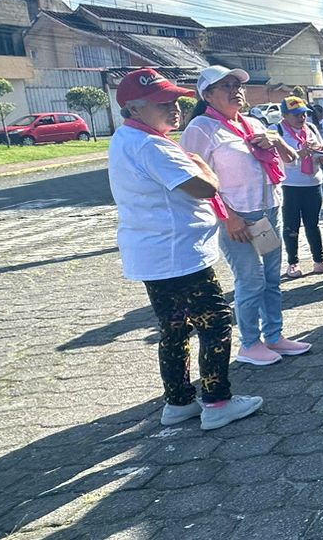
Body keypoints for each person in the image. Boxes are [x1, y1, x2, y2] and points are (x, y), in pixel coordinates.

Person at [108, 68, 262, 432]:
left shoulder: (129, 137)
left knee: (174, 327)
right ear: (134, 108)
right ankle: (217, 402)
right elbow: (204, 188)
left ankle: (178, 401)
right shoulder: (151, 146)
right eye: (162, 103)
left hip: (157, 251)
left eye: (175, 100)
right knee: (216, 322)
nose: (173, 108)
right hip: (179, 253)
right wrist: (207, 168)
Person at [183, 66, 312, 368]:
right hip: (237, 217)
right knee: (251, 280)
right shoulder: (201, 128)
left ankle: (274, 336)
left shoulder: (252, 122)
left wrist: (276, 141)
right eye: (226, 86)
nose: (235, 91)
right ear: (207, 95)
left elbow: (291, 160)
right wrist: (228, 217)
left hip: (268, 212)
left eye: (237, 85)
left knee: (271, 279)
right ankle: (250, 344)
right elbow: (195, 180)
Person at [275, 96, 323, 279]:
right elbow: (275, 159)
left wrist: (322, 153)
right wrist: (299, 154)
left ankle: (319, 261)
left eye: (303, 114)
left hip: (313, 183)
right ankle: (292, 263)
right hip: (290, 185)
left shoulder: (310, 128)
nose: (301, 118)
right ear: (284, 115)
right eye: (296, 115)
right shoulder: (277, 131)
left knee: (313, 224)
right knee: (291, 225)